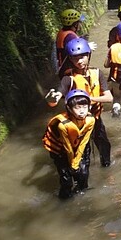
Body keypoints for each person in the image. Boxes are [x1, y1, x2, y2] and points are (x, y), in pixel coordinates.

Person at [45, 38, 114, 167]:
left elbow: (109, 98)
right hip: (77, 123)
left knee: (104, 145)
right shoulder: (68, 78)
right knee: (83, 153)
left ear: (88, 56)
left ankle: (106, 167)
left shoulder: (97, 73)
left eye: (82, 57)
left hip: (95, 117)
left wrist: (89, 100)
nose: (79, 61)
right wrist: (53, 98)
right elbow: (59, 94)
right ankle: (82, 176)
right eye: (75, 58)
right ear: (70, 60)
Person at [42, 89, 95, 199]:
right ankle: (64, 200)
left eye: (85, 107)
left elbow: (84, 141)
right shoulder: (63, 125)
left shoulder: (91, 120)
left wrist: (76, 163)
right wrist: (73, 164)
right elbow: (68, 148)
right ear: (69, 109)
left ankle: (82, 195)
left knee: (83, 174)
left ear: (89, 107)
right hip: (61, 151)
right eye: (77, 107)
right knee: (66, 181)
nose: (82, 111)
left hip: (80, 146)